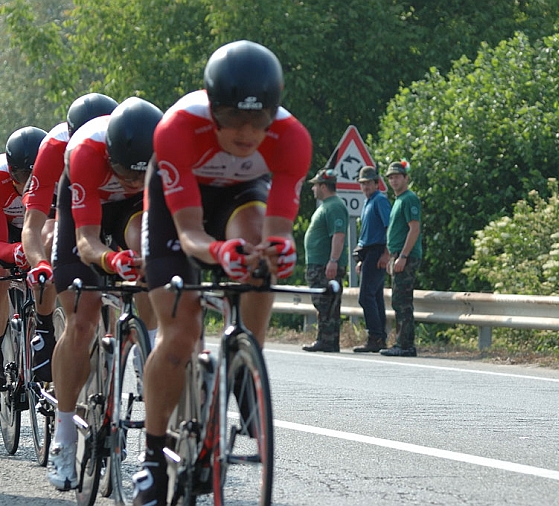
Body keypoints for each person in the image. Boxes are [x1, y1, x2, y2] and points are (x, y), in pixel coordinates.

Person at [134, 39, 311, 505]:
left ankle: (242, 368)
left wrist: (278, 249)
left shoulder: (293, 138)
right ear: (213, 109)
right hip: (181, 208)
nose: (247, 133)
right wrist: (219, 252)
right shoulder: (177, 128)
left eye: (259, 121)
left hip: (242, 194)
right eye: (234, 120)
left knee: (259, 255)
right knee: (180, 330)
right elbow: (191, 234)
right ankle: (153, 457)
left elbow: (278, 229)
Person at [46, 97, 162, 491]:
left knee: (149, 253)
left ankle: (143, 342)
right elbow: (86, 241)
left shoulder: (162, 154)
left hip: (132, 212)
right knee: (81, 319)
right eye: (126, 174)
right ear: (111, 155)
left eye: (139, 176)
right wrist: (112, 262)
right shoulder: (85, 152)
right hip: (85, 214)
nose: (130, 181)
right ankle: (64, 436)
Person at [22, 92, 118, 382]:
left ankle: (112, 337)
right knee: (51, 235)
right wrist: (39, 264)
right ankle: (43, 326)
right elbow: (31, 226)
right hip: (62, 193)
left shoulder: (123, 137)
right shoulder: (54, 146)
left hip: (107, 193)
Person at [0, 126, 49, 389]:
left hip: (32, 224)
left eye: (33, 176)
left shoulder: (57, 175)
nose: (25, 184)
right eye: (19, 176)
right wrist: (18, 252)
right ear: (9, 170)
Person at [301, 168, 348, 353]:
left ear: (323, 186)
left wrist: (333, 260)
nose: (313, 190)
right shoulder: (328, 205)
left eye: (315, 186)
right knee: (325, 302)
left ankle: (327, 340)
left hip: (325, 265)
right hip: (320, 263)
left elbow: (338, 235)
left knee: (326, 302)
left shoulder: (334, 205)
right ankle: (327, 340)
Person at [381, 160, 422, 357]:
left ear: (406, 178)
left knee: (402, 301)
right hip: (397, 255)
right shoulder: (398, 200)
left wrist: (403, 256)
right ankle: (401, 342)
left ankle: (405, 345)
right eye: (391, 177)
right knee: (398, 300)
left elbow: (414, 228)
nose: (394, 180)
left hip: (406, 256)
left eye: (397, 176)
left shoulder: (409, 199)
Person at [353, 165, 392, 352]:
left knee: (365, 296)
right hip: (369, 251)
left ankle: (375, 336)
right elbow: (368, 233)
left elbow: (388, 227)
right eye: (363, 183)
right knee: (375, 296)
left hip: (378, 250)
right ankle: (379, 338)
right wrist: (361, 259)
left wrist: (386, 254)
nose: (365, 187)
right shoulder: (368, 202)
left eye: (369, 183)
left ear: (377, 184)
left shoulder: (380, 200)